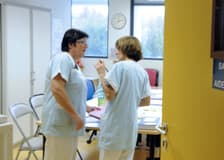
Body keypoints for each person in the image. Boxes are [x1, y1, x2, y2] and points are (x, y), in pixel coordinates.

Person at [95, 36, 151, 160]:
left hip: (114, 130)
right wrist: (129, 102)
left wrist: (101, 73)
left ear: (125, 49)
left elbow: (108, 95)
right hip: (129, 133)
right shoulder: (142, 71)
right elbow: (146, 101)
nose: (115, 52)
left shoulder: (119, 67)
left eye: (118, 49)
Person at [41, 28, 88, 160]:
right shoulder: (63, 58)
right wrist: (75, 115)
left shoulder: (73, 63)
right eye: (82, 42)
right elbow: (57, 89)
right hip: (60, 124)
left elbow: (72, 91)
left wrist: (85, 107)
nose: (86, 46)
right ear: (70, 44)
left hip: (68, 124)